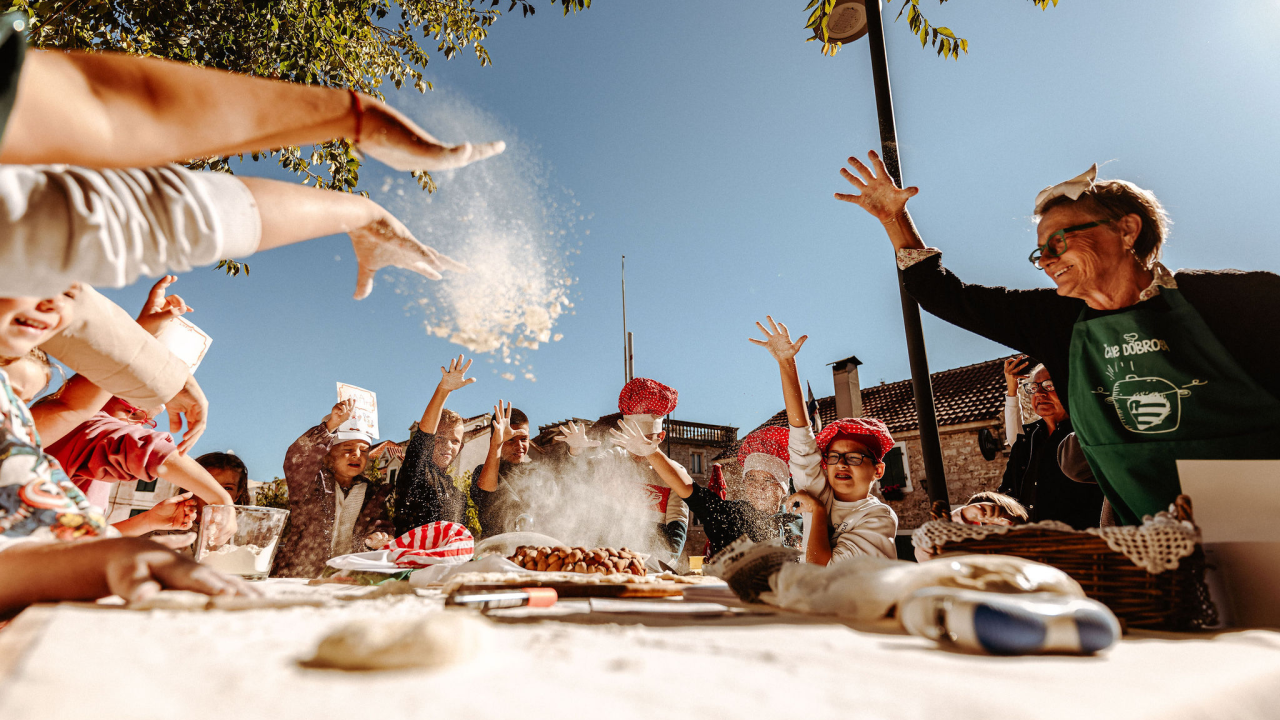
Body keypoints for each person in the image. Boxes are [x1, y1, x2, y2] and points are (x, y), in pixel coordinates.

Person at [836, 152, 1280, 525]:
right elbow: (941, 293)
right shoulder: (1054, 319)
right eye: (1040, 252)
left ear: (1126, 230)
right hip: (1145, 532)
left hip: (1262, 521)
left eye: (1060, 242)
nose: (1047, 260)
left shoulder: (1237, 299)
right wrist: (895, 219)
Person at [751, 316, 898, 564]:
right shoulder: (820, 491)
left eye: (853, 457)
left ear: (878, 470)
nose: (841, 464)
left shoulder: (877, 517)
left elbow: (825, 572)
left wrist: (817, 512)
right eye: (834, 457)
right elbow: (801, 435)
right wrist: (787, 363)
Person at [273, 399, 394, 577]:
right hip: (299, 575)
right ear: (328, 454)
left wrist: (377, 537)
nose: (357, 454)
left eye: (364, 450)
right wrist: (330, 426)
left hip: (345, 578)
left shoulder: (372, 494)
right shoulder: (309, 482)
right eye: (348, 448)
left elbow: (380, 525)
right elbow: (297, 458)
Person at [646, 425, 797, 558]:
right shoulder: (731, 515)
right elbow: (689, 489)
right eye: (751, 479)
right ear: (744, 483)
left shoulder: (799, 522)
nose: (758, 487)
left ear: (783, 488)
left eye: (768, 480)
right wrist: (650, 450)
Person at [589, 377, 691, 557]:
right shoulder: (614, 458)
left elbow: (677, 524)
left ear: (661, 436)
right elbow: (583, 470)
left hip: (653, 563)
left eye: (645, 440)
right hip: (607, 559)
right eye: (632, 439)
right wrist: (575, 452)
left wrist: (668, 560)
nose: (638, 448)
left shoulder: (675, 472)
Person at [998, 365, 1105, 529]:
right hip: (1030, 544)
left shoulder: (1089, 435)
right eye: (1034, 387)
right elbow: (1008, 491)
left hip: (1081, 543)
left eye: (1050, 385)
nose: (1039, 393)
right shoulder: (1026, 440)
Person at [394, 355, 474, 536]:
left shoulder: (458, 496)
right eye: (439, 438)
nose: (447, 445)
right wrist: (443, 390)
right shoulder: (416, 471)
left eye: (455, 441)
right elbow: (424, 435)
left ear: (460, 448)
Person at [469, 401, 534, 539]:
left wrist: (574, 452)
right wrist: (497, 444)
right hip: (496, 551)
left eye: (524, 439)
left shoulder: (535, 472)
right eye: (510, 439)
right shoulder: (484, 472)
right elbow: (486, 488)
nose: (519, 445)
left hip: (533, 552)